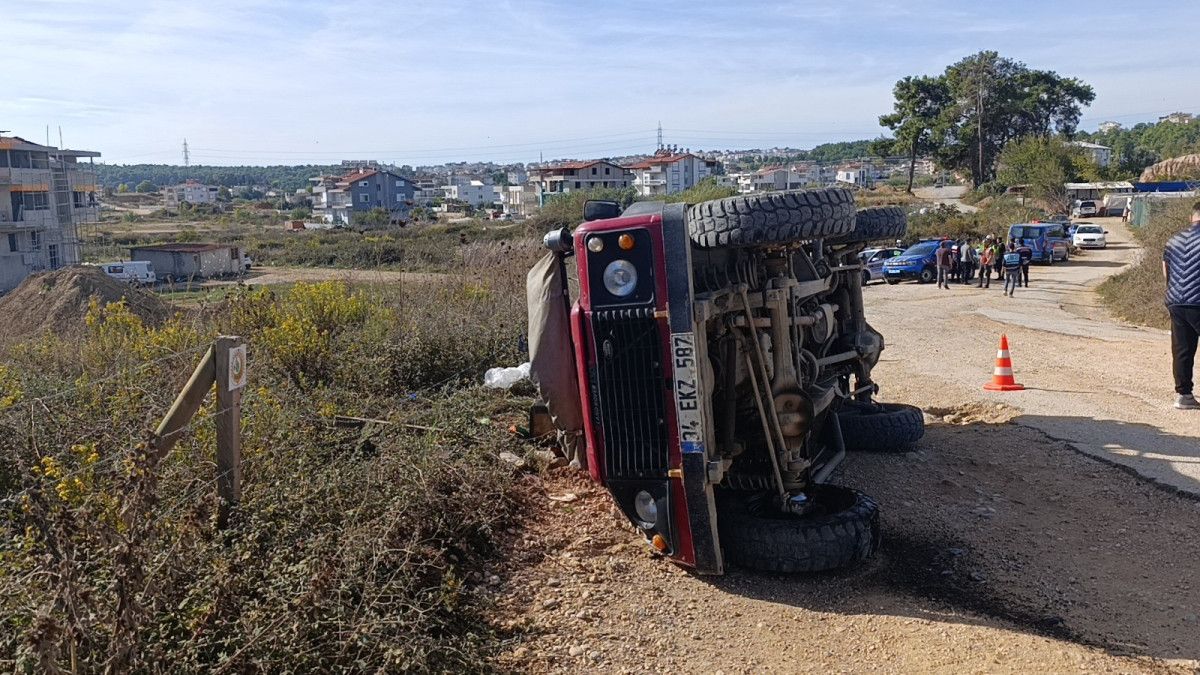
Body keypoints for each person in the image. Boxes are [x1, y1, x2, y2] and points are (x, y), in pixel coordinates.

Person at [1163, 202, 1200, 409]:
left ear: (1191, 217)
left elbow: (1166, 273)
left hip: (1176, 301)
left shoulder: (1173, 240)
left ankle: (1184, 396)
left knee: (1182, 350)